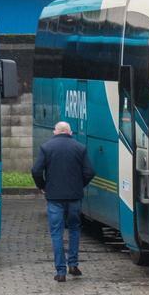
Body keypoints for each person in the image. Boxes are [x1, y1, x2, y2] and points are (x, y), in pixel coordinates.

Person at [31, 121, 95, 282]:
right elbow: (90, 172)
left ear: (55, 132)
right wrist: (80, 185)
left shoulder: (46, 147)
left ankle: (60, 271)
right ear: (70, 132)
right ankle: (73, 264)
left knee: (56, 233)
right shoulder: (80, 148)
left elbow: (36, 170)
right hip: (74, 197)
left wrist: (43, 186)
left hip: (54, 198)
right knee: (74, 229)